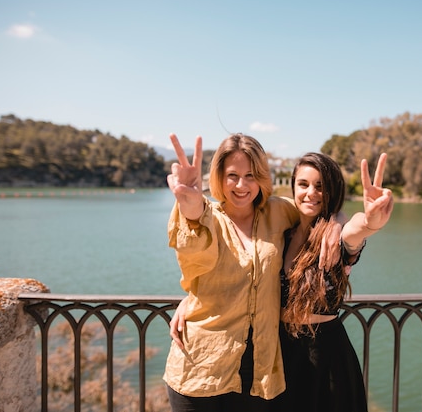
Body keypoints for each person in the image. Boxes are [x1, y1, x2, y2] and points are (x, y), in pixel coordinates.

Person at [164, 133, 342, 412]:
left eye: (250, 175)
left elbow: (317, 206)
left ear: (262, 177)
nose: (241, 185)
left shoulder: (278, 212)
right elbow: (192, 252)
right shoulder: (206, 217)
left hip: (257, 374)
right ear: (218, 177)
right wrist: (189, 204)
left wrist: (337, 223)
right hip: (199, 366)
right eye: (232, 175)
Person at [272, 152, 393, 412]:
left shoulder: (334, 236)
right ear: (293, 186)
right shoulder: (283, 233)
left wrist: (370, 221)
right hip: (280, 352)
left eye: (321, 186)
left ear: (333, 191)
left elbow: (354, 233)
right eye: (303, 184)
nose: (311, 193)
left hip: (325, 356)